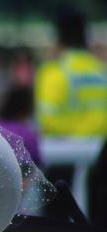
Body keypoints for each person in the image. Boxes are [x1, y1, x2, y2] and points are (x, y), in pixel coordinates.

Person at [35, 8, 107, 138]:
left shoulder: (53, 72)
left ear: (58, 39)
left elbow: (47, 121)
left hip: (66, 152)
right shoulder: (102, 72)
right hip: (101, 151)